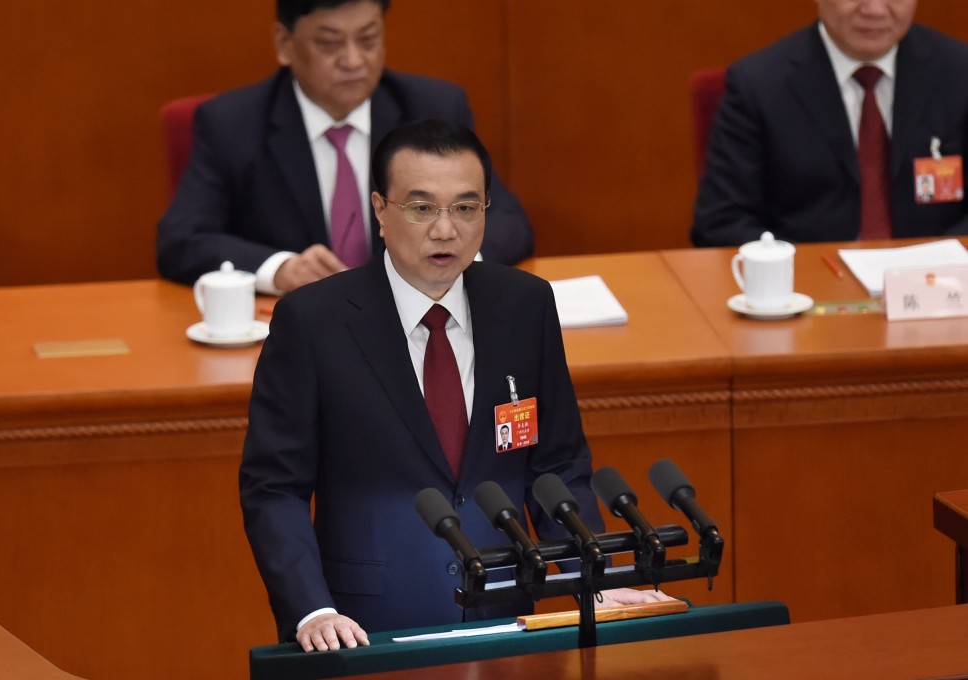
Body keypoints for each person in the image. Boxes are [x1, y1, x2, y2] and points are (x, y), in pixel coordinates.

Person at [239, 119, 672, 652]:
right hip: (363, 628)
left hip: (504, 620)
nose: (446, 230)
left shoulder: (525, 305)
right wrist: (312, 608)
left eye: (466, 208)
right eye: (422, 208)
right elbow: (275, 486)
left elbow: (556, 466)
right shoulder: (313, 321)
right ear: (380, 210)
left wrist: (594, 578)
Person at [157, 0, 534, 294]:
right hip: (301, 331)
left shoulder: (432, 108)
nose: (354, 61)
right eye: (329, 44)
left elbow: (509, 222)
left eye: (368, 39)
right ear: (284, 44)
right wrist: (282, 268)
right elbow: (181, 241)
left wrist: (448, 259)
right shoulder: (231, 124)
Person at [691, 0, 968, 247]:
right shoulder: (758, 86)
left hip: (935, 280)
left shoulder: (959, 72)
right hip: (809, 279)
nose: (874, 9)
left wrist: (936, 261)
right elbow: (721, 223)